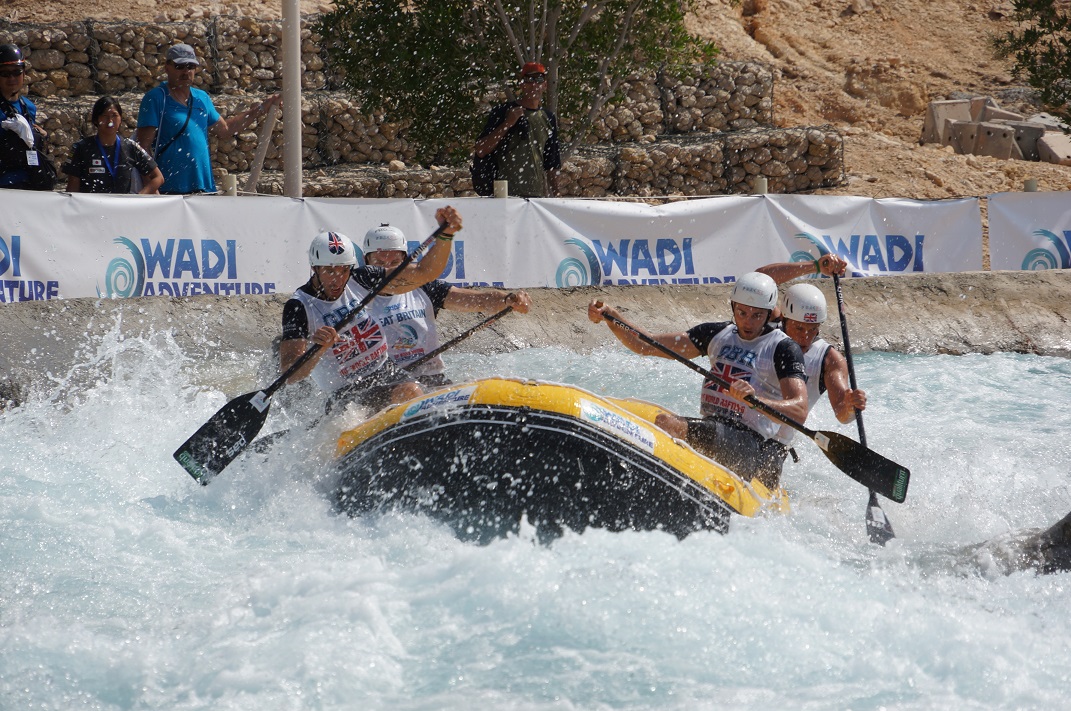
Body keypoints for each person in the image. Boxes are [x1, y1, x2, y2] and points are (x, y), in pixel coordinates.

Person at [588, 272, 808, 489]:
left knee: (668, 424)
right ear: (732, 306)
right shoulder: (716, 333)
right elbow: (647, 344)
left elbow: (799, 410)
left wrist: (756, 400)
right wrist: (612, 317)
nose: (748, 322)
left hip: (749, 443)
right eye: (742, 312)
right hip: (714, 427)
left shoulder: (783, 348)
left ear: (769, 314)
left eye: (757, 315)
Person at [279, 206, 463, 415]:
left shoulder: (362, 278)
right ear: (315, 268)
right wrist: (319, 349)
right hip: (345, 388)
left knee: (421, 396)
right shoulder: (298, 306)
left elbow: (425, 273)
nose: (338, 279)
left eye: (344, 270)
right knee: (410, 392)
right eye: (330, 271)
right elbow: (290, 373)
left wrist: (446, 235)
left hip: (386, 372)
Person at [361, 223, 532, 389]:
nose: (387, 271)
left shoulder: (425, 288)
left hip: (430, 379)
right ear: (365, 261)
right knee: (409, 390)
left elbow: (480, 300)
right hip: (385, 385)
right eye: (379, 263)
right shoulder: (353, 297)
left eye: (394, 262)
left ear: (406, 261)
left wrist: (509, 299)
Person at [135, 43, 279, 195]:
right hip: (170, 189)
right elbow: (143, 147)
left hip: (203, 187)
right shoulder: (156, 98)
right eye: (180, 66)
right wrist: (153, 187)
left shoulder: (201, 98)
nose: (186, 71)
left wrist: (261, 109)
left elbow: (225, 130)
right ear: (167, 68)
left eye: (190, 66)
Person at [756, 254, 867, 425]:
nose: (805, 337)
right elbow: (759, 280)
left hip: (776, 444)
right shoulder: (769, 324)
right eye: (799, 328)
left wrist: (851, 405)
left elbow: (842, 414)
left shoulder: (831, 359)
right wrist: (815, 266)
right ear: (784, 319)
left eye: (813, 329)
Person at [473, 61, 561, 198]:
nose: (534, 85)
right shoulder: (503, 112)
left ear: (545, 85)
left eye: (538, 80)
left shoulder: (548, 118)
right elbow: (481, 149)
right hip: (503, 197)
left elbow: (551, 164)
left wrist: (557, 198)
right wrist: (508, 123)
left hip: (535, 198)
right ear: (522, 84)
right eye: (529, 79)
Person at [64, 96, 164, 194]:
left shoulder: (130, 146)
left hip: (121, 208)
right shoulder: (81, 148)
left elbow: (158, 177)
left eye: (114, 116)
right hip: (91, 208)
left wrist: (139, 197)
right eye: (105, 116)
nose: (110, 121)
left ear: (120, 119)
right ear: (96, 120)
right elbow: (72, 188)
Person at [0, 43, 56, 191]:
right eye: (5, 73)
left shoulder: (29, 107)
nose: (11, 78)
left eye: (17, 72)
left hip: (29, 184)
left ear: (24, 73)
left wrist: (40, 137)